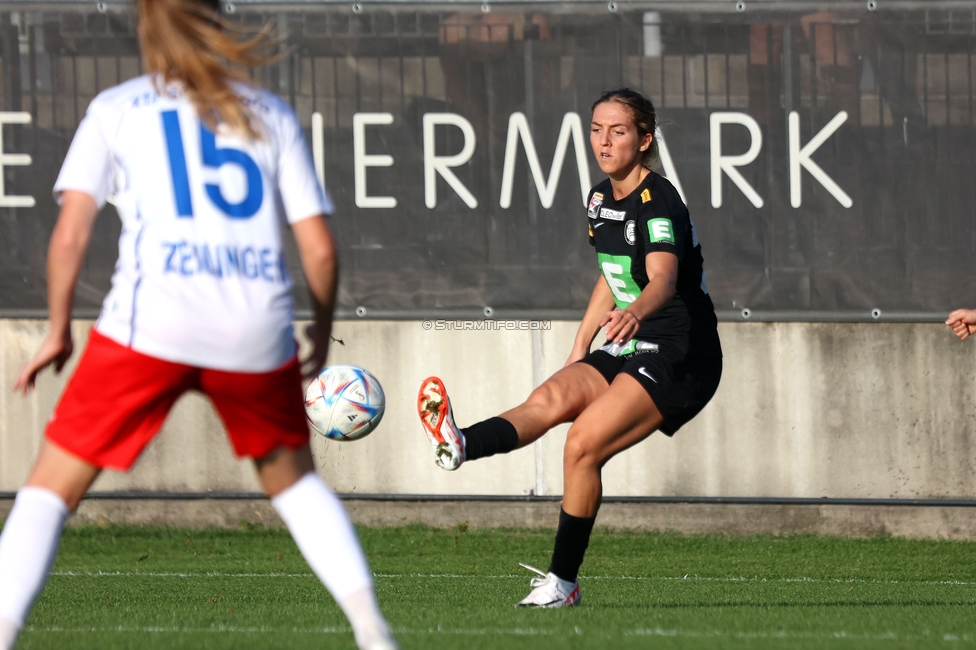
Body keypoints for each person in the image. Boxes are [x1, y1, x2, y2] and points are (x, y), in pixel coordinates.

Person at [0, 1, 397, 649]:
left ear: (144, 26)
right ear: (217, 20)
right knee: (295, 484)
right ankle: (372, 630)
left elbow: (70, 236)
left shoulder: (117, 108)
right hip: (252, 327)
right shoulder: (267, 112)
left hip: (147, 326)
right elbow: (320, 250)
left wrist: (57, 328)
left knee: (48, 490)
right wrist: (321, 331)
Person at [417, 88, 722, 607]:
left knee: (581, 444)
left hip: (680, 350)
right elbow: (611, 272)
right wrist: (581, 342)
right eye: (596, 129)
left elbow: (663, 280)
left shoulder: (660, 199)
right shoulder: (600, 199)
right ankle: (461, 444)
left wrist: (632, 313)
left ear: (645, 139)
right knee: (549, 400)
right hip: (630, 338)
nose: (603, 141)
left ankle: (562, 584)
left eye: (618, 131)